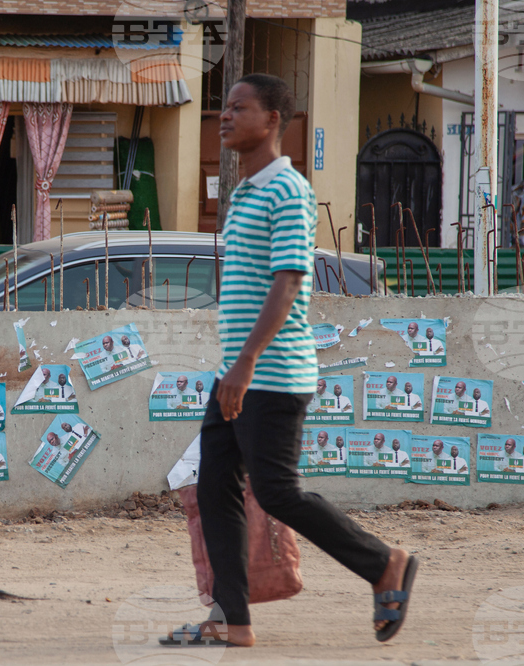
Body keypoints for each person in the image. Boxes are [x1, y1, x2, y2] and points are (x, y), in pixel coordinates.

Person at [169, 74, 415, 649]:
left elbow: (288, 285)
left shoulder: (289, 189)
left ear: (273, 119)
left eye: (239, 107)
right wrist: (235, 365)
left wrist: (246, 363)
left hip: (270, 373)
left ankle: (385, 564)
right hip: (239, 373)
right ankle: (234, 619)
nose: (225, 116)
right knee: (215, 487)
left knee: (277, 493)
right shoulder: (245, 192)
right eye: (224, 107)